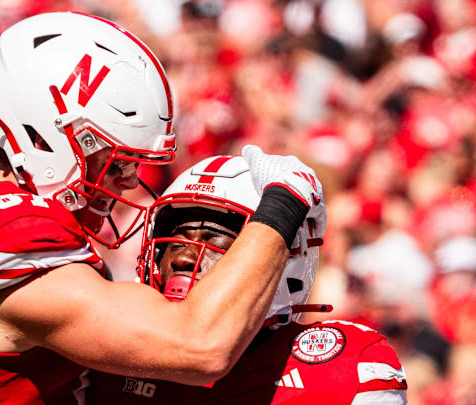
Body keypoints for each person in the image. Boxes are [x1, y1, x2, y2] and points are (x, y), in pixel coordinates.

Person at [0, 12, 326, 405]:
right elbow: (201, 347)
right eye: (113, 158)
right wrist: (284, 201)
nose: (127, 180)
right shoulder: (21, 244)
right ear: (44, 132)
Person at [87, 155, 408, 404]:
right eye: (176, 240)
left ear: (284, 261)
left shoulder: (343, 367)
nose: (184, 257)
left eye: (214, 243)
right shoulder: (107, 351)